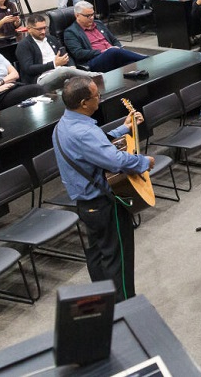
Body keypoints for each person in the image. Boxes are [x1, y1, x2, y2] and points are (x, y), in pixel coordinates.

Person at [53, 77, 153, 302]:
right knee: (118, 260)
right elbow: (115, 161)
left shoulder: (65, 124)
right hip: (105, 204)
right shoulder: (84, 131)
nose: (100, 98)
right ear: (84, 102)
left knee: (98, 256)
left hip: (86, 206)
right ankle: (125, 307)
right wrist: (144, 162)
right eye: (96, 96)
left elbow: (94, 147)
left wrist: (124, 128)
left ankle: (105, 304)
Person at [63, 1, 147, 74]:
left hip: (114, 55)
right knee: (113, 51)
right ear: (77, 16)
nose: (91, 18)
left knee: (133, 64)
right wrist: (102, 52)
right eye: (88, 16)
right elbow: (79, 53)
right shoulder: (71, 32)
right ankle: (148, 59)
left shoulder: (98, 23)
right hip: (94, 60)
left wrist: (119, 47)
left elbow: (114, 40)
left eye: (93, 14)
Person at [16, 12, 91, 88]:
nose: (43, 32)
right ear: (29, 29)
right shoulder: (23, 45)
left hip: (61, 72)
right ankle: (95, 75)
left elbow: (65, 54)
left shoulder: (51, 38)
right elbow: (29, 68)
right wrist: (54, 64)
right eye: (39, 29)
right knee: (63, 72)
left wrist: (72, 66)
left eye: (45, 28)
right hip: (42, 78)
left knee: (76, 81)